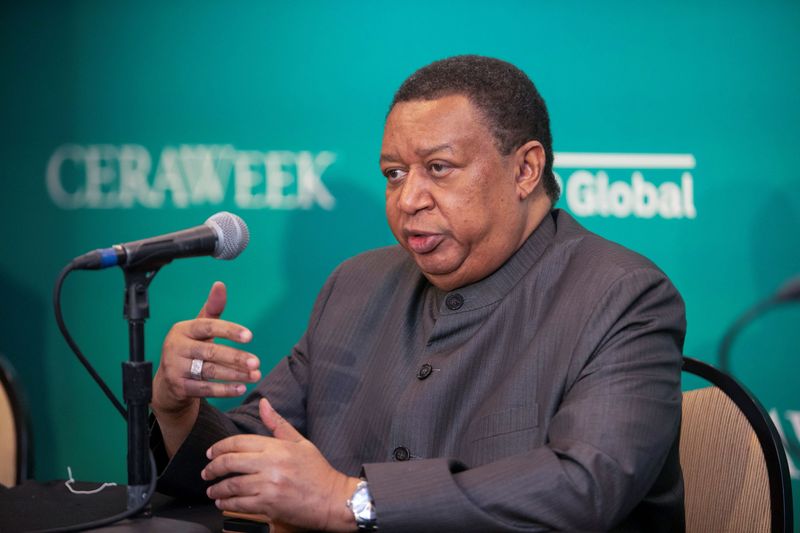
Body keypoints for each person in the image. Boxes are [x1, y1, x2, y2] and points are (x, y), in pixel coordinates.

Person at [150, 55, 686, 532]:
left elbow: (584, 486)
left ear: (525, 169)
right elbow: (259, 459)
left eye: (438, 169)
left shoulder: (622, 296)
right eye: (394, 173)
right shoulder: (356, 286)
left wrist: (349, 501)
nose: (408, 199)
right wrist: (177, 413)